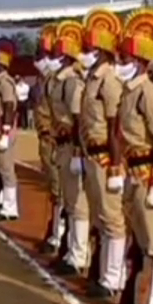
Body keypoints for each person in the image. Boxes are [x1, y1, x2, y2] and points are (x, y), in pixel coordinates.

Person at [115, 9, 153, 304]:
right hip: (133, 172)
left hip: (148, 174)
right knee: (141, 243)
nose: (120, 61)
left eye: (125, 56)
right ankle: (139, 303)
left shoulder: (148, 92)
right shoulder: (130, 90)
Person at [77, 9, 126, 300]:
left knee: (112, 218)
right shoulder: (93, 77)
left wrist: (116, 167)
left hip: (106, 156)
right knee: (100, 216)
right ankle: (104, 273)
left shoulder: (109, 80)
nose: (87, 53)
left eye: (91, 48)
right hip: (91, 154)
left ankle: (113, 277)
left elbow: (114, 125)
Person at [49, 20, 89, 276]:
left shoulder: (73, 81)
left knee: (78, 202)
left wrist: (77, 151)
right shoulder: (60, 79)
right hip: (61, 144)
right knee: (70, 201)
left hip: (72, 145)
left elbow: (76, 119)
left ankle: (78, 254)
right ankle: (72, 250)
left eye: (57, 53)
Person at [33, 24, 66, 253]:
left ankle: (59, 235)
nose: (42, 59)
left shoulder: (58, 80)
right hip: (46, 138)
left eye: (47, 55)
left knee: (60, 191)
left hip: (55, 140)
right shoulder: (45, 80)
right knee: (53, 189)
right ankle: (55, 232)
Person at [0, 38, 20, 220]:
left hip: (2, 128)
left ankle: (10, 208)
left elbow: (9, 106)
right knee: (1, 168)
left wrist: (6, 132)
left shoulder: (4, 82)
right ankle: (3, 203)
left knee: (7, 170)